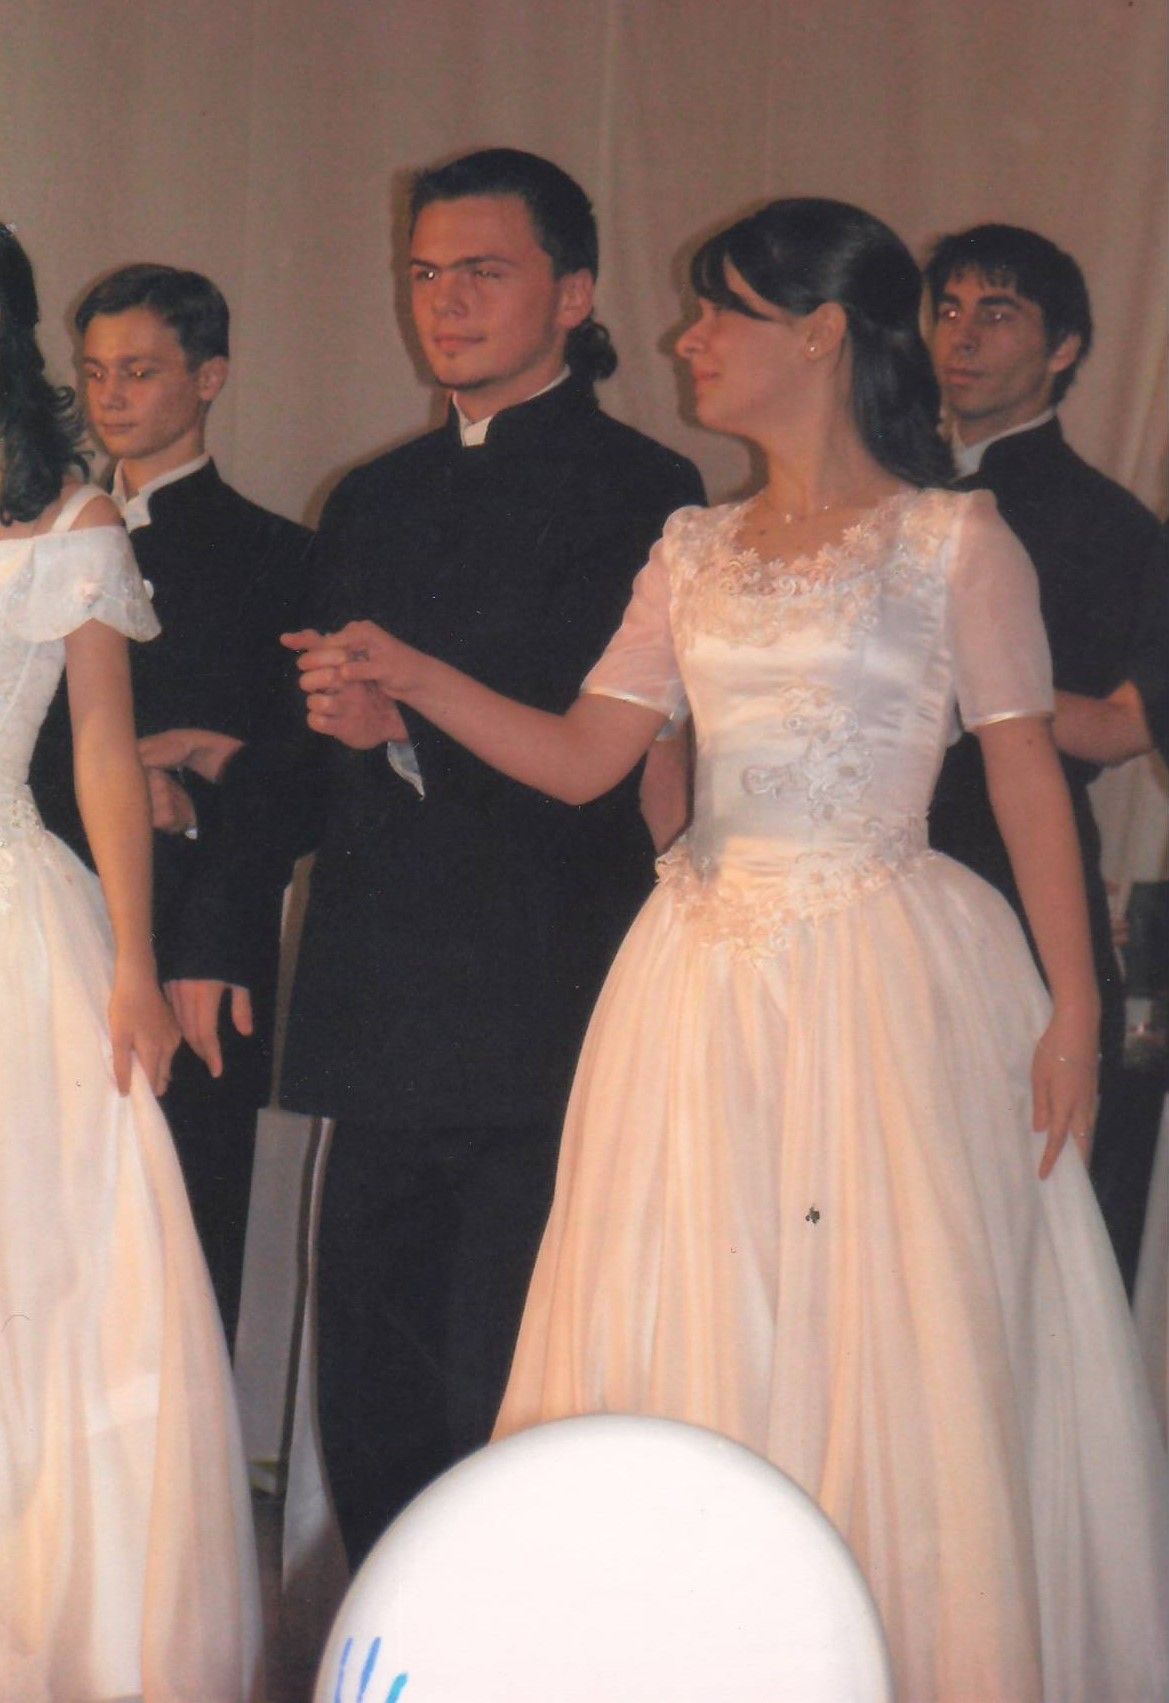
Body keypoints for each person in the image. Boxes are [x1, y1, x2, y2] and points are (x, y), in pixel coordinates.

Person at [293, 199, 1169, 1702]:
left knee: (875, 1321)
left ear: (819, 332)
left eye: (721, 312)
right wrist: (417, 679)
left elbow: (1028, 775)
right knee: (681, 1299)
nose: (687, 337)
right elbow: (584, 755)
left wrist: (1073, 1010)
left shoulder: (952, 536)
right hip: (694, 972)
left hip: (880, 967)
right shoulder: (692, 544)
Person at [164, 148, 704, 1566]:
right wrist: (215, 927)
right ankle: (387, 1633)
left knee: (509, 1384)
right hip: (381, 993)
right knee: (371, 1385)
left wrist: (407, 719)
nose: (445, 303)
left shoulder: (645, 488)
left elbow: (596, 758)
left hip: (542, 990)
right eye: (423, 274)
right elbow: (308, 741)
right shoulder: (372, 496)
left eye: (483, 272)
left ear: (572, 294)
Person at [0, 228, 261, 1698]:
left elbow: (104, 748)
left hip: (18, 921)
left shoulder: (68, 517)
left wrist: (137, 965)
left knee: (44, 1277)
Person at [29, 263, 311, 1347]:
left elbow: (291, 772)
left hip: (197, 930)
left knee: (179, 1254)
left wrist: (195, 797)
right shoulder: (41, 534)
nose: (111, 395)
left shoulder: (277, 554)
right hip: (47, 916)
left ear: (210, 377)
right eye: (96, 370)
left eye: (141, 371)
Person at [923, 224, 1164, 1283]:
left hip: (1018, 894)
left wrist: (956, 679)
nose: (961, 336)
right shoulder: (879, 488)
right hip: (873, 876)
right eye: (946, 309)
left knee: (1011, 1242)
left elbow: (1122, 725)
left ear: (1062, 348)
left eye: (997, 312)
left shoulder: (1111, 525)